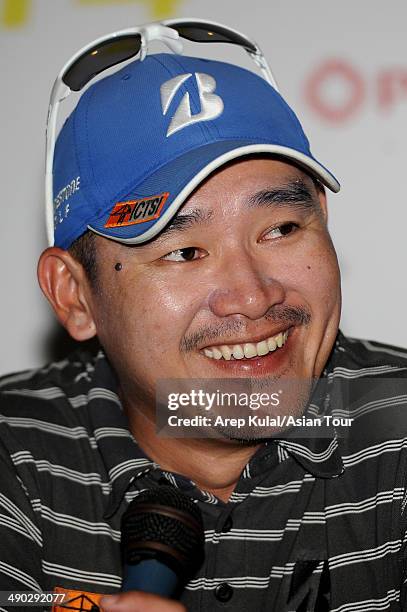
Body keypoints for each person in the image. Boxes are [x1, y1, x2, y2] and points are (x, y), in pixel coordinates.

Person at [1, 18, 407, 612]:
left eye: (281, 228)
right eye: (184, 251)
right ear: (74, 294)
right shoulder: (15, 453)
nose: (253, 296)